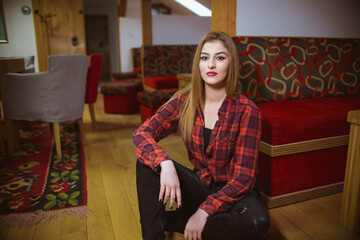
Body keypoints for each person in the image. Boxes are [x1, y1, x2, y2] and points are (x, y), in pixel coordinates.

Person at [132, 31, 271, 240]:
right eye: (205, 58)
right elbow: (142, 133)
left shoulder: (247, 110)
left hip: (236, 193)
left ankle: (175, 220)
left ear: (231, 64)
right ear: (198, 63)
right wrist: (165, 163)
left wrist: (203, 211)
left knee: (257, 223)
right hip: (201, 186)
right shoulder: (185, 100)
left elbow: (244, 178)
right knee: (146, 162)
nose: (211, 65)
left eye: (220, 57)